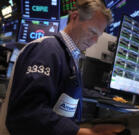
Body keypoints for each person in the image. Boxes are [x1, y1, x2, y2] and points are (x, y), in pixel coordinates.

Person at [0, 0, 125, 135]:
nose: (94, 41)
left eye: (98, 36)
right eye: (92, 31)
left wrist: (89, 127)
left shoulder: (70, 56)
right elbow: (28, 113)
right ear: (74, 17)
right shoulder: (47, 49)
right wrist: (79, 132)